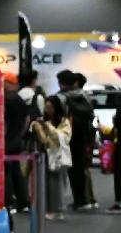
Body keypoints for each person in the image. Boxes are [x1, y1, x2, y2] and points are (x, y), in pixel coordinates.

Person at [63, 71, 97, 209]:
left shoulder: (63, 97)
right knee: (83, 168)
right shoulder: (85, 97)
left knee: (73, 169)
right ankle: (87, 199)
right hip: (84, 135)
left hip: (68, 136)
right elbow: (91, 115)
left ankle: (81, 199)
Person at [2, 68, 35, 214]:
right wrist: (20, 134)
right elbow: (26, 119)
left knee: (6, 171)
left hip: (7, 140)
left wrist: (3, 137)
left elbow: (3, 122)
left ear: (8, 82)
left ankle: (9, 202)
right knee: (17, 171)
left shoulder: (5, 99)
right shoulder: (19, 98)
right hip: (17, 139)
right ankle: (23, 202)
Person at [33, 98, 70, 220]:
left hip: (57, 155)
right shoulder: (45, 121)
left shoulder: (64, 122)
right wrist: (39, 129)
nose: (47, 110)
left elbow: (62, 139)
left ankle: (56, 209)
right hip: (45, 154)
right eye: (46, 107)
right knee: (44, 182)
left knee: (55, 183)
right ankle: (47, 208)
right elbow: (44, 140)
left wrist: (48, 127)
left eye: (50, 107)